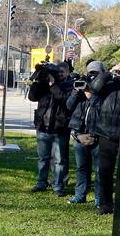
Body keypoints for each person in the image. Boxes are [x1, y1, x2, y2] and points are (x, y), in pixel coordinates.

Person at [28, 61, 73, 195]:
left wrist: (53, 84)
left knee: (59, 160)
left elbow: (63, 98)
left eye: (61, 72)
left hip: (60, 128)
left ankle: (58, 185)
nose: (59, 74)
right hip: (43, 126)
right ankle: (41, 182)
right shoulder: (44, 84)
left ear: (67, 73)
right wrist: (38, 81)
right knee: (43, 158)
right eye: (57, 72)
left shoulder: (69, 85)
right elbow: (32, 97)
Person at [88, 59, 120, 215]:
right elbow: (94, 87)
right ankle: (105, 204)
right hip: (106, 132)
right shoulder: (109, 84)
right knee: (105, 171)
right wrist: (108, 73)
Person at [65, 61, 105, 205]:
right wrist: (76, 91)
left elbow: (103, 109)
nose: (92, 77)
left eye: (95, 73)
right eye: (90, 73)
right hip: (80, 133)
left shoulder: (106, 89)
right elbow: (69, 106)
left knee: (99, 169)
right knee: (81, 167)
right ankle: (80, 195)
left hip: (98, 134)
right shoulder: (82, 85)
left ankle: (99, 198)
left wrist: (91, 94)